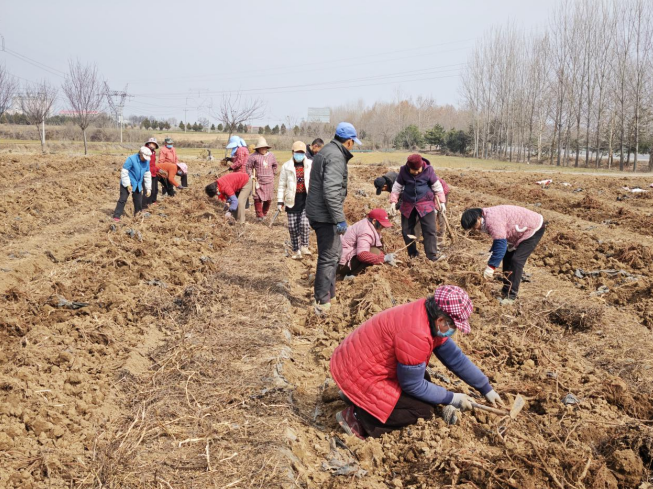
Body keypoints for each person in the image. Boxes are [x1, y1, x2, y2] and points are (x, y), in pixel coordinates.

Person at [330, 285, 504, 439]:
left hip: (360, 363)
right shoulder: (417, 334)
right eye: (454, 326)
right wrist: (452, 398)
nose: (455, 331)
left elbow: (455, 358)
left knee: (425, 382)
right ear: (441, 320)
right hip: (359, 373)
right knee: (421, 411)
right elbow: (412, 385)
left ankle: (356, 397)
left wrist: (485, 387)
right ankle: (358, 418)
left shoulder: (427, 314)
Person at [305, 122, 361, 314]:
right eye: (353, 143)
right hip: (324, 214)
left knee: (335, 253)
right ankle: (321, 301)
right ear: (349, 142)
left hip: (320, 210)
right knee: (328, 257)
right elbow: (331, 192)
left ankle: (331, 294)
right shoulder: (336, 157)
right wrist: (339, 218)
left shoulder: (326, 151)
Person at [461, 205, 545, 305]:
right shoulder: (486, 216)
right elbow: (500, 242)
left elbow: (500, 247)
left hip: (533, 227)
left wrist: (491, 267)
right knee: (507, 257)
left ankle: (511, 296)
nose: (476, 229)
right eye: (473, 228)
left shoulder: (492, 220)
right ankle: (506, 291)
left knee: (517, 260)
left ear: (478, 218)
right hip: (519, 229)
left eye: (475, 225)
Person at [389, 154, 446, 261]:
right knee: (407, 231)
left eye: (418, 170)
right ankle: (413, 255)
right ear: (408, 167)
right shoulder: (403, 171)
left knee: (430, 230)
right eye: (413, 170)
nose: (416, 172)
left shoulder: (428, 170)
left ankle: (432, 256)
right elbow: (397, 187)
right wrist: (393, 202)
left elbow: (437, 186)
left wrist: (442, 202)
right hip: (408, 205)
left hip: (426, 204)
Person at [277, 141, 313, 259]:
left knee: (304, 223)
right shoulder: (286, 166)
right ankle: (296, 250)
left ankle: (304, 246)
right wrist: (280, 201)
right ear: (292, 152)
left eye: (302, 152)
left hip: (306, 199)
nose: (299, 154)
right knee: (293, 227)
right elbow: (282, 185)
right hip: (292, 200)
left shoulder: (310, 165)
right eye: (297, 152)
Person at [337, 209, 397, 278]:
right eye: (381, 225)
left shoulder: (367, 224)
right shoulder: (366, 231)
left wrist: (383, 257)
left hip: (342, 257)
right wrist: (384, 258)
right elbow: (362, 255)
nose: (382, 228)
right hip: (341, 264)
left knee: (375, 252)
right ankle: (352, 275)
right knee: (375, 252)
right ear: (374, 221)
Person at [113, 147, 153, 221]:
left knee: (138, 200)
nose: (145, 159)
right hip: (127, 182)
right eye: (144, 157)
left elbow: (147, 175)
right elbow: (124, 172)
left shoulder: (147, 162)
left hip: (137, 184)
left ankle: (138, 216)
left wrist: (148, 188)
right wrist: (128, 185)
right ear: (140, 154)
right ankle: (116, 216)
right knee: (123, 199)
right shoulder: (131, 159)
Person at [246, 137, 278, 220]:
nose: (263, 149)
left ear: (267, 148)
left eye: (264, 148)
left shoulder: (271, 156)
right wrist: (251, 176)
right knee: (257, 198)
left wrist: (272, 173)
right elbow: (248, 167)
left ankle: (264, 213)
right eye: (261, 148)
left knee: (268, 199)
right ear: (258, 148)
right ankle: (259, 216)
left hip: (269, 181)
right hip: (258, 181)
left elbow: (275, 165)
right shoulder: (253, 156)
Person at [142, 137, 159, 209]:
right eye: (152, 144)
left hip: (153, 172)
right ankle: (145, 205)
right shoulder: (144, 151)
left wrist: (158, 169)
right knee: (148, 189)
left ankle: (152, 202)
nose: (153, 145)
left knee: (155, 189)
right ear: (148, 143)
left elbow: (153, 164)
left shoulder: (153, 152)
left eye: (154, 145)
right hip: (146, 173)